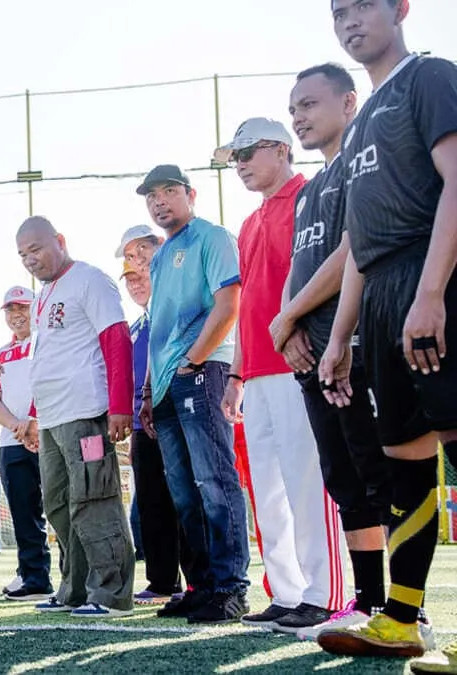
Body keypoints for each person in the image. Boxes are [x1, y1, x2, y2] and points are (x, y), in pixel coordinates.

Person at [314, 1, 457, 668]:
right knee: (405, 465)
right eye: (338, 9)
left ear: (401, 8)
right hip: (379, 301)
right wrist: (341, 338)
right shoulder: (364, 116)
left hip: (434, 277)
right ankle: (401, 616)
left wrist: (431, 293)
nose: (350, 18)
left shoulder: (429, 78)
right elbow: (358, 245)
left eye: (365, 3)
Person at [273, 63, 394, 642]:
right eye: (293, 107)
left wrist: (289, 314)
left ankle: (405, 607)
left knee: (382, 477)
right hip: (314, 356)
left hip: (359, 346)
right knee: (343, 480)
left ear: (349, 103)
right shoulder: (309, 191)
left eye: (310, 104)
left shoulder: (362, 164)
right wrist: (292, 328)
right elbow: (301, 269)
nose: (299, 116)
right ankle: (368, 605)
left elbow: (355, 251)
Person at [214, 117, 344, 630]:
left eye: (248, 153)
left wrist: (307, 336)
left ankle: (324, 591)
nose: (240, 165)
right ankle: (288, 592)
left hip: (300, 363)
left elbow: (325, 277)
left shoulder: (310, 198)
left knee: (307, 481)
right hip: (259, 374)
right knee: (266, 488)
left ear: (280, 149)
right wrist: (236, 374)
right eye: (235, 157)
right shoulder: (247, 223)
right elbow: (248, 307)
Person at [135, 166, 251, 624]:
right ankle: (203, 585)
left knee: (215, 483)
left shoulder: (213, 237)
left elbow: (229, 303)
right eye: (151, 196)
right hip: (165, 386)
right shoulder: (161, 257)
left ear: (190, 193)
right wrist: (148, 391)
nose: (159, 201)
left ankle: (231, 587)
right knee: (184, 494)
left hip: (203, 371)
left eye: (168, 191)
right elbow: (158, 329)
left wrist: (196, 359)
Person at [16, 216, 136, 619]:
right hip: (51, 418)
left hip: (85, 411)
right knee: (58, 504)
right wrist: (34, 415)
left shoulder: (90, 280)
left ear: (60, 241)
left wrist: (120, 405)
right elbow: (45, 358)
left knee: (95, 499)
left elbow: (116, 339)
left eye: (35, 249)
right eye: (22, 255)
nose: (29, 260)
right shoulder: (43, 295)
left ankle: (112, 593)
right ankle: (75, 588)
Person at [116, 225, 194, 607]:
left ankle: (200, 578)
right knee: (150, 501)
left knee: (183, 495)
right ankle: (163, 580)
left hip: (174, 409)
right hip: (140, 422)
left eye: (140, 268)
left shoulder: (175, 306)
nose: (135, 281)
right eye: (128, 277)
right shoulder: (136, 326)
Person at [0, 285, 53, 602]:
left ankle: (74, 577)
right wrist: (18, 425)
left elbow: (52, 383)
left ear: (35, 309)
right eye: (10, 310)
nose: (16, 315)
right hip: (12, 442)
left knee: (59, 509)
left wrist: (34, 421)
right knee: (24, 515)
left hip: (47, 435)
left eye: (22, 308)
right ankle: (33, 576)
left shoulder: (50, 343)